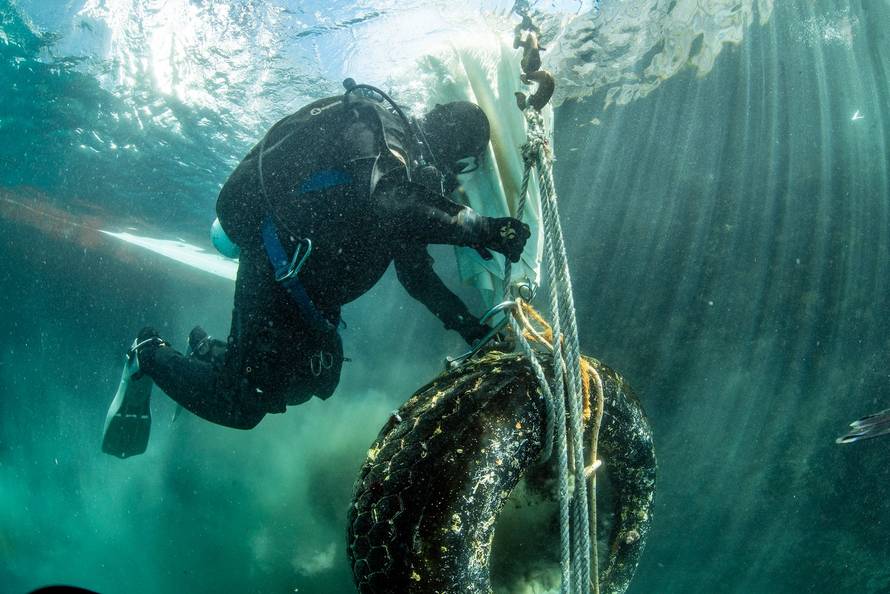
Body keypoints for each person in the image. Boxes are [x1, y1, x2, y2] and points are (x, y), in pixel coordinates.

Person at [102, 81, 530, 457]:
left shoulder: (409, 187)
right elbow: (386, 200)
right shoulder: (379, 133)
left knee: (306, 384)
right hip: (276, 266)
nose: (456, 181)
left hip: (308, 293)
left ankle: (206, 353)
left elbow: (416, 277)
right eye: (463, 167)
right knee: (243, 402)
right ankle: (147, 352)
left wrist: (472, 328)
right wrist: (481, 228)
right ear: (453, 148)